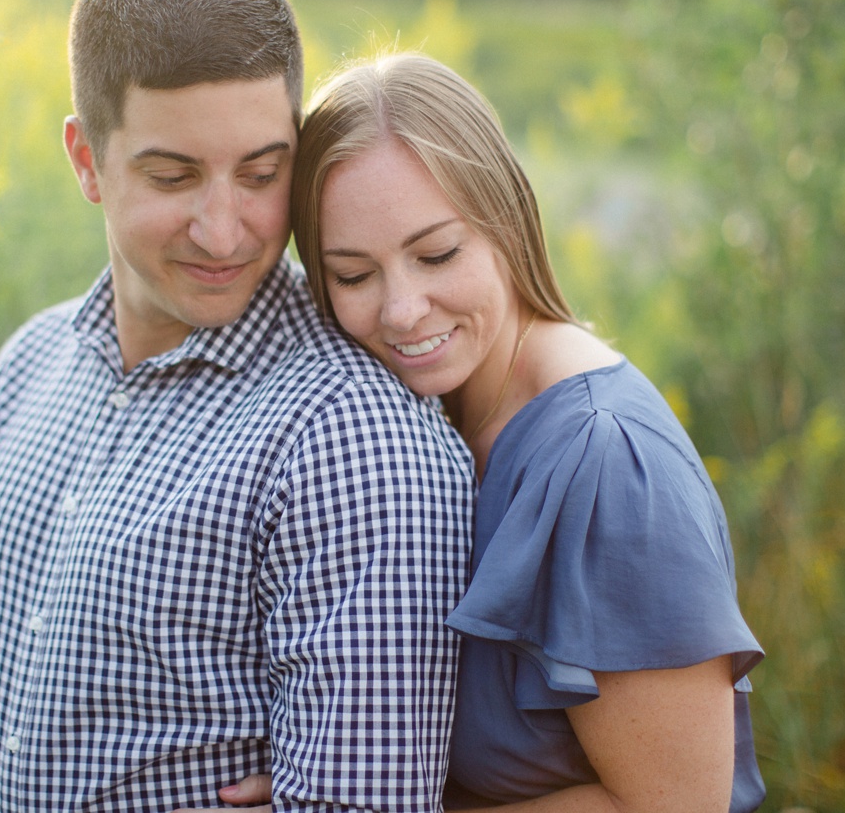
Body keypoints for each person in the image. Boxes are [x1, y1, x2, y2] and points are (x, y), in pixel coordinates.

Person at [0, 0, 474, 813]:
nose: (224, 232)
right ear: (87, 160)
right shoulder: (26, 365)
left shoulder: (351, 438)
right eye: (173, 176)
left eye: (261, 174)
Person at [194, 52, 765, 812]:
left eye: (437, 254)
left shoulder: (606, 463)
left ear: (508, 220)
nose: (401, 310)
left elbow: (677, 808)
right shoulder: (419, 419)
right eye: (354, 275)